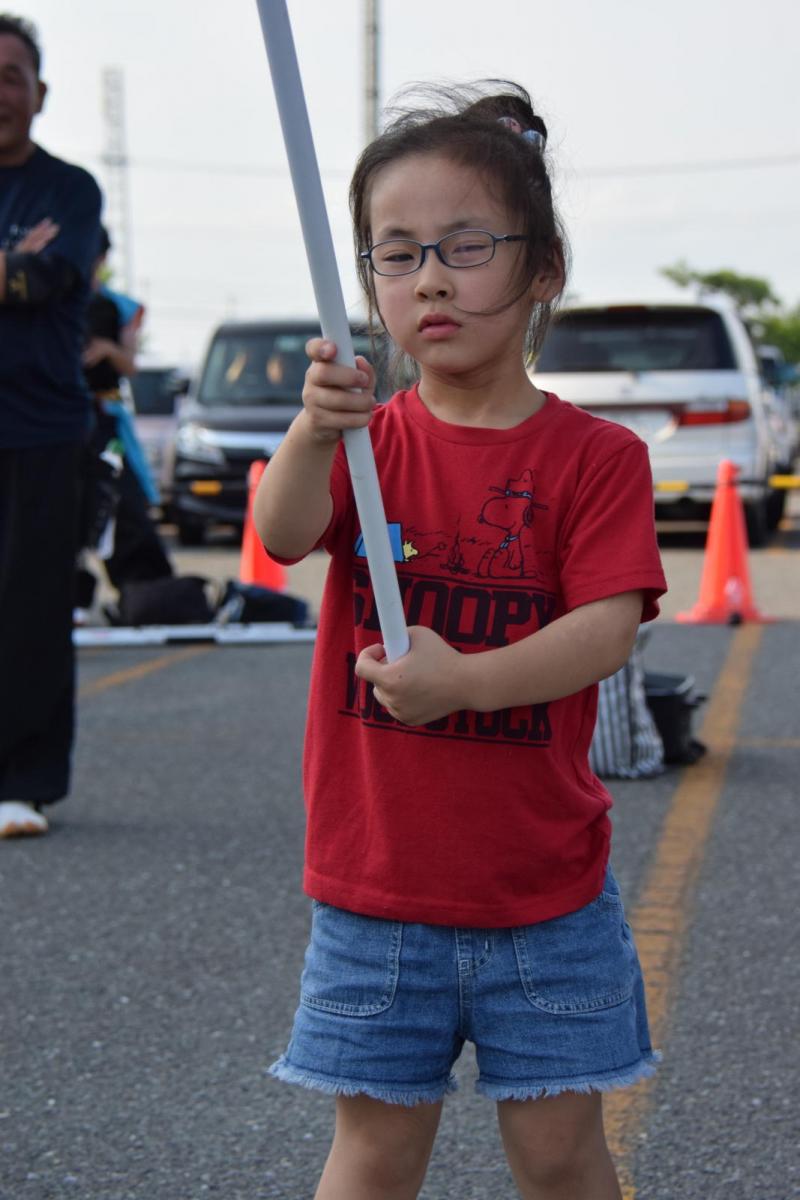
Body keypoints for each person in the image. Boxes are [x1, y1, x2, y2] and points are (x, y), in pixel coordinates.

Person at [255, 82, 668, 1200]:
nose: (428, 276)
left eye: (465, 245)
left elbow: (606, 629)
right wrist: (309, 432)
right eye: (395, 255)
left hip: (544, 897)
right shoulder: (361, 443)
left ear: (541, 270)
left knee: (557, 1155)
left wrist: (466, 681)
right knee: (373, 1154)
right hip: (372, 892)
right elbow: (282, 533)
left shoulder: (594, 459)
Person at [0, 14, 102, 838]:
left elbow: (40, 280)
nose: (0, 90)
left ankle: (23, 783)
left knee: (31, 610)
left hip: (41, 430)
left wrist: (23, 271)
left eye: (12, 74)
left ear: (39, 93)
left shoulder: (70, 190)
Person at [75, 224, 172, 619]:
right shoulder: (48, 299)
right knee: (59, 506)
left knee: (117, 498)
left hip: (104, 425)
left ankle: (146, 591)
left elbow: (130, 365)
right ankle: (71, 594)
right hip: (56, 424)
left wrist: (105, 350)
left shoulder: (114, 308)